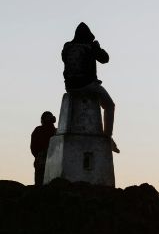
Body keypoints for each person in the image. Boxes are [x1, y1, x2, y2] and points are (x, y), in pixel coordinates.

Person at [61, 22, 119, 152]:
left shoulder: (67, 46)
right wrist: (97, 48)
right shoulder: (90, 47)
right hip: (87, 85)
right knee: (109, 105)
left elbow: (64, 59)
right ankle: (107, 138)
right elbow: (105, 59)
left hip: (69, 87)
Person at [30, 111, 57, 185]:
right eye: (48, 117)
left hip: (52, 161)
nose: (49, 119)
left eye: (50, 117)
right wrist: (40, 155)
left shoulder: (56, 131)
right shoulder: (38, 130)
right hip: (41, 160)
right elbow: (33, 147)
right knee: (40, 182)